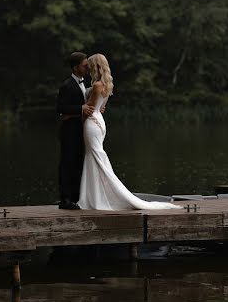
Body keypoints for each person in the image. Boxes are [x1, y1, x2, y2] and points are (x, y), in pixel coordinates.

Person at [78, 54, 180, 211]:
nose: (88, 69)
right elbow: (101, 108)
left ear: (96, 67)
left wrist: (79, 121)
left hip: (92, 123)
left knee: (95, 157)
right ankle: (94, 196)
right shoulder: (106, 84)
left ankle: (102, 196)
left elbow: (89, 109)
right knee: (95, 157)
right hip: (100, 123)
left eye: (90, 66)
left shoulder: (97, 85)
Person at [56, 52, 93, 210]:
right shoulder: (67, 85)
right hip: (69, 130)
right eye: (85, 65)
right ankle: (65, 199)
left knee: (77, 162)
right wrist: (81, 108)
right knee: (68, 163)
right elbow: (60, 108)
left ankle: (75, 197)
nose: (87, 68)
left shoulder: (83, 83)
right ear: (75, 67)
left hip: (79, 129)